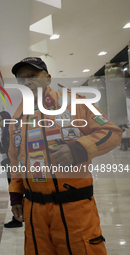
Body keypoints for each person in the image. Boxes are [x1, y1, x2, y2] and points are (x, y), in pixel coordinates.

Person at [8, 57, 122, 255]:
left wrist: (78, 148)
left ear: (48, 78)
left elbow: (111, 133)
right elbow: (15, 159)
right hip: (34, 212)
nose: (27, 82)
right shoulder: (17, 118)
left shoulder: (75, 102)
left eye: (32, 76)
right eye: (21, 79)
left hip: (74, 208)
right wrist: (16, 196)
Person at [0, 111, 23, 228]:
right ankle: (18, 217)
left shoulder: (8, 131)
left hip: (11, 164)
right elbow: (4, 147)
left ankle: (18, 218)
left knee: (14, 190)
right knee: (14, 190)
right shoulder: (6, 131)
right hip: (10, 163)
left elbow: (8, 149)